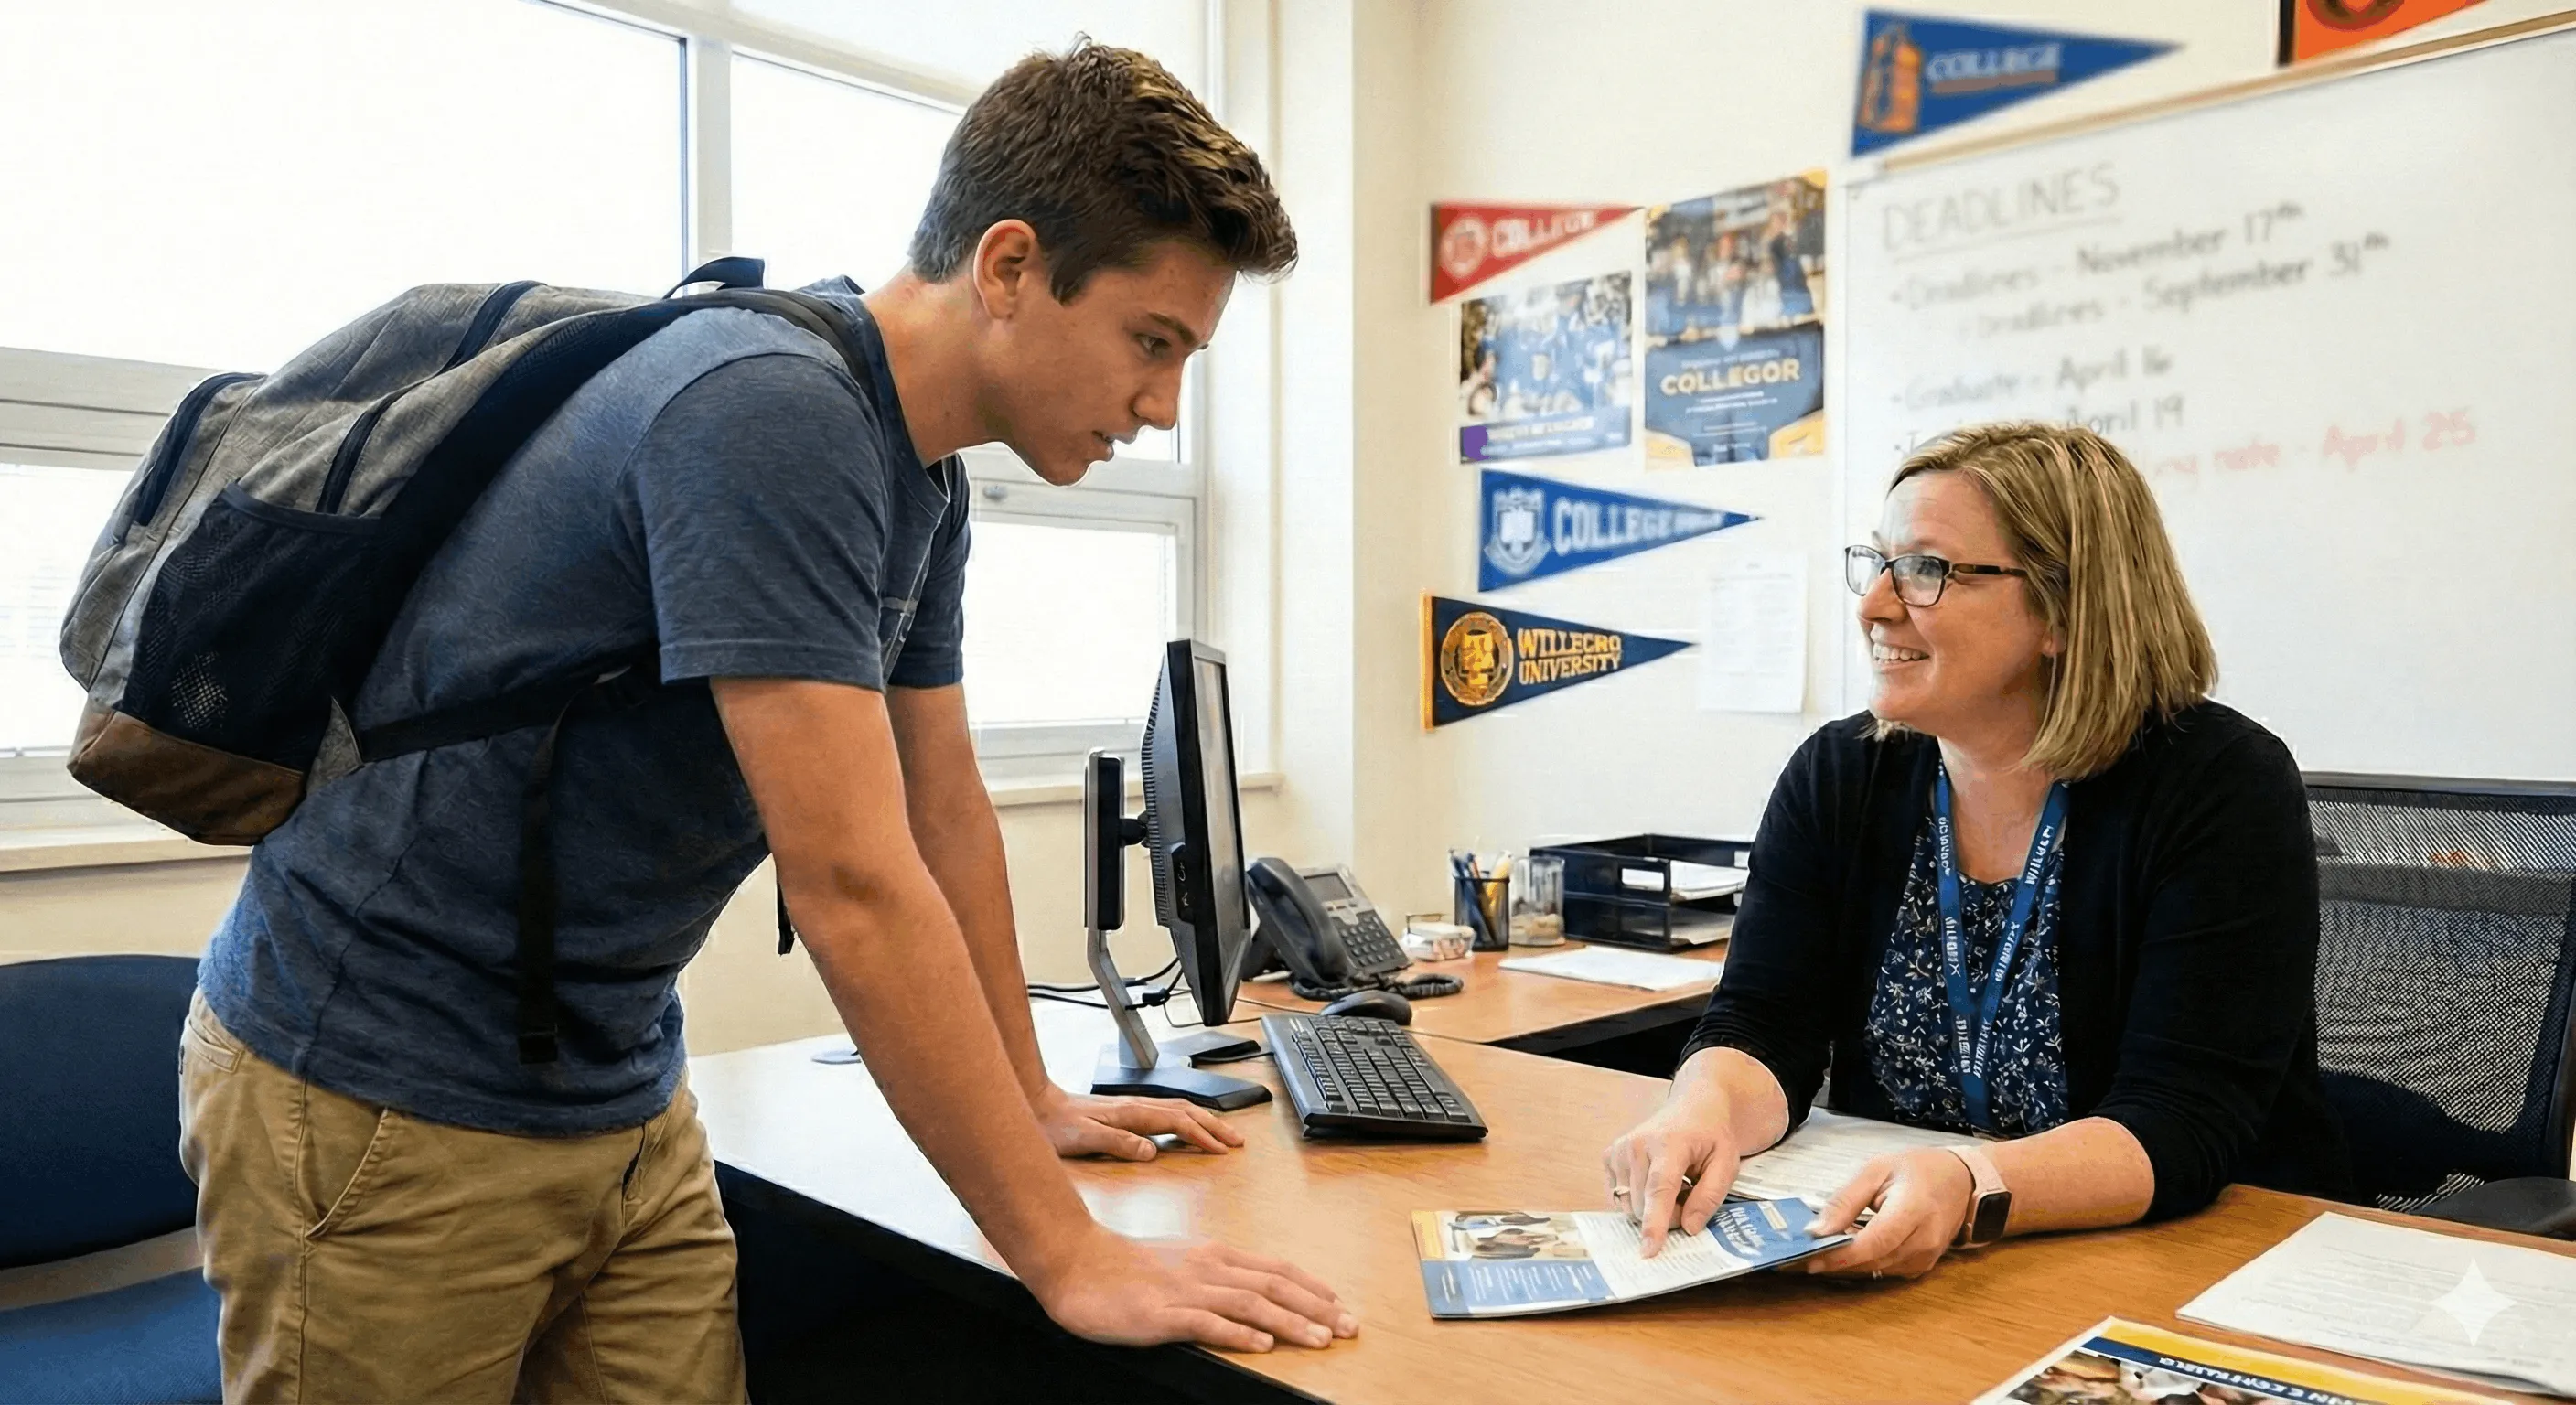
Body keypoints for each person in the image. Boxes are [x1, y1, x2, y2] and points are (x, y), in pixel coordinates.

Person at [179, 41, 1356, 1404]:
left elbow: (941, 810)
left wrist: (1030, 1096)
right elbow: (853, 883)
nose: (1161, 407)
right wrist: (1068, 1257)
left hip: (617, 1086)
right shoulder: (769, 411)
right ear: (1009, 266)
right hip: (378, 1090)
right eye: (1152, 343)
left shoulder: (921, 479)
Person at [1602, 422, 2352, 1277]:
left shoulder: (2219, 785)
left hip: (2196, 1259)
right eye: (1879, 562)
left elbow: (2182, 1116)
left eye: (1926, 569)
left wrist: (1974, 1184)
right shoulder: (1841, 776)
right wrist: (1701, 1110)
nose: (1874, 604)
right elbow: (1764, 1025)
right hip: (1917, 1255)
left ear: (2063, 610)